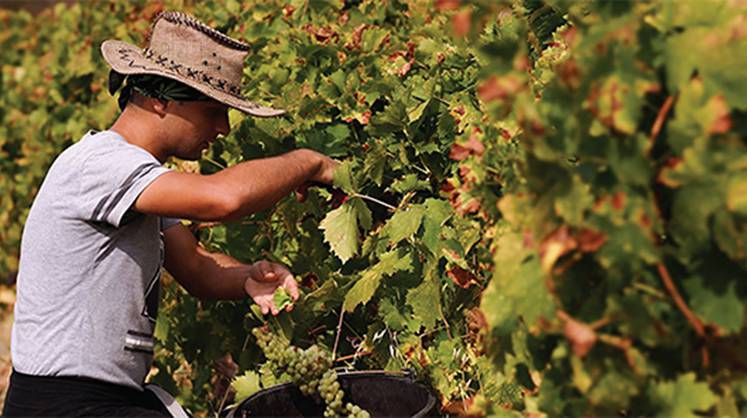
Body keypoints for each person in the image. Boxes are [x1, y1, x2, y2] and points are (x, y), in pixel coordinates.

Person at [3, 11, 337, 416]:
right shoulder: (101, 164)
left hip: (104, 401)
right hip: (65, 406)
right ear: (160, 98)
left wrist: (247, 277)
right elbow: (224, 198)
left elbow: (197, 268)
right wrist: (309, 163)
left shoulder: (141, 184)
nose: (224, 128)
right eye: (213, 110)